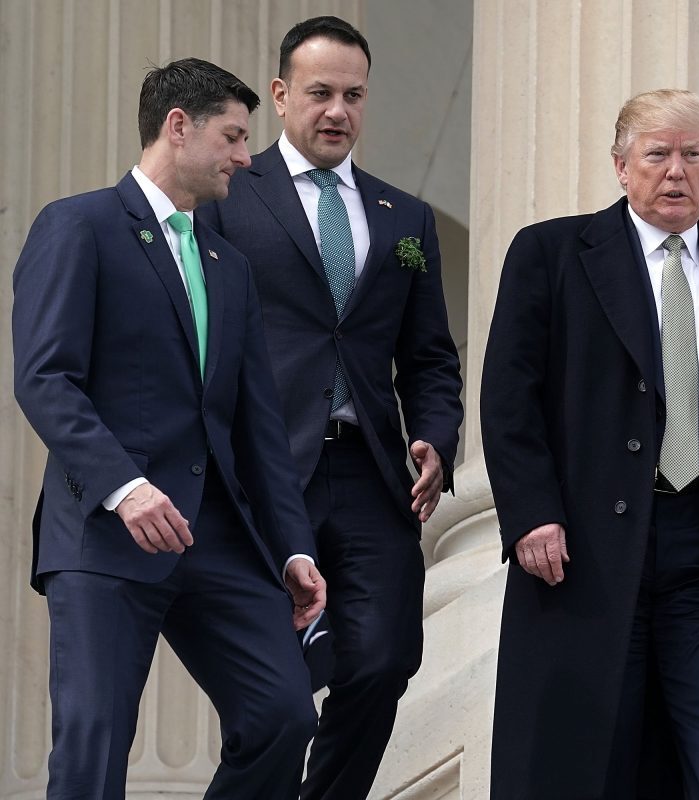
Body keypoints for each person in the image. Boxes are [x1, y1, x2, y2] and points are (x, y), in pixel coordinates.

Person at [481, 89, 699, 800]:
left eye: (692, 155)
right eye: (658, 154)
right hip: (584, 552)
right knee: (589, 755)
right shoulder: (551, 253)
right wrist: (530, 512)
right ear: (620, 165)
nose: (676, 171)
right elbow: (509, 398)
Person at [11, 58, 325, 798]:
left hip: (217, 540)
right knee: (93, 743)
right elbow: (45, 379)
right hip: (106, 534)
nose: (247, 159)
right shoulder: (77, 225)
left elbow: (259, 431)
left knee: (284, 716)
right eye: (234, 137)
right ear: (178, 127)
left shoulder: (229, 267)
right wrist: (126, 488)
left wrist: (292, 549)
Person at [197, 16, 463, 800]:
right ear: (281, 96)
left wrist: (438, 438)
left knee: (385, 659)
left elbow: (429, 357)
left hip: (371, 474)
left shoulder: (404, 221)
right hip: (263, 470)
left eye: (352, 95)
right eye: (319, 93)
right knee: (273, 695)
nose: (337, 111)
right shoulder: (228, 198)